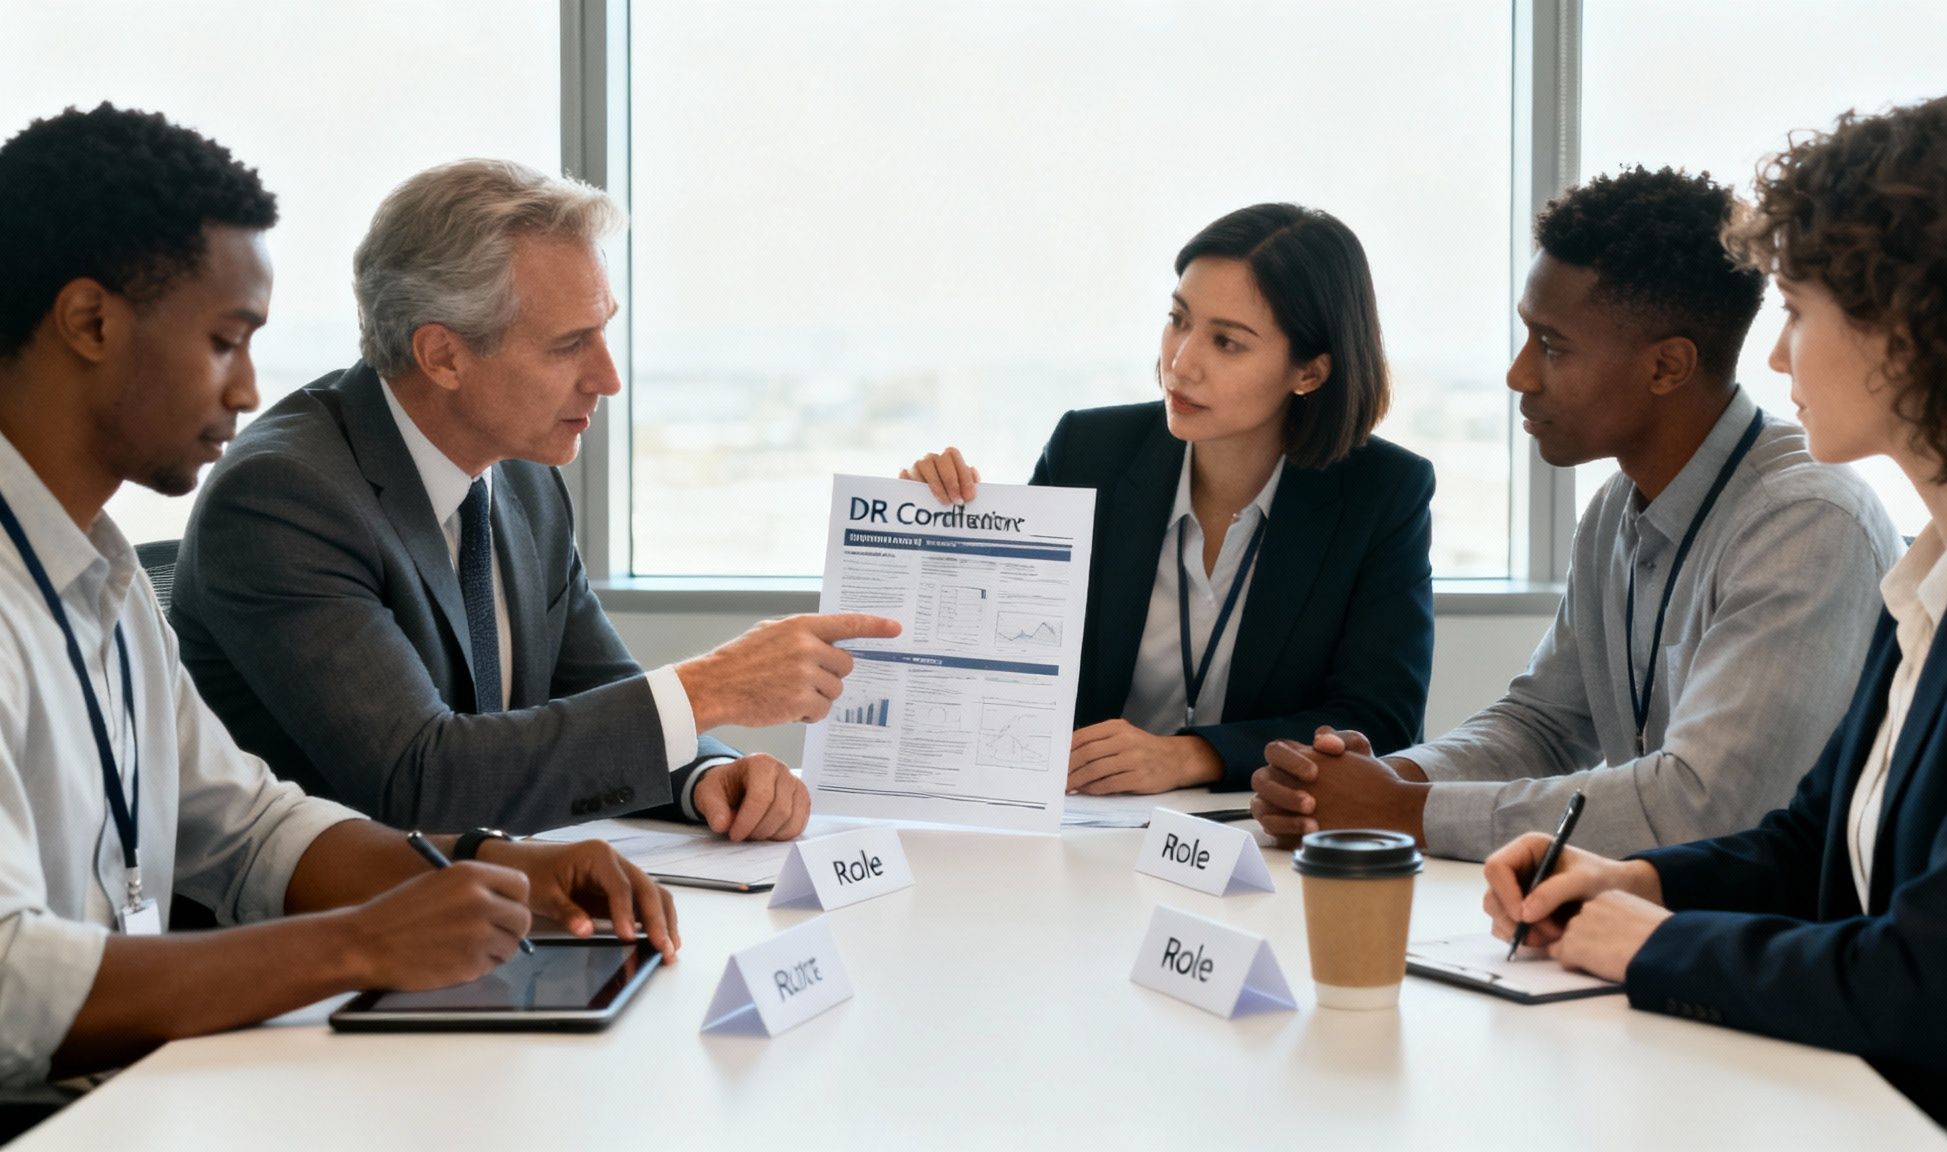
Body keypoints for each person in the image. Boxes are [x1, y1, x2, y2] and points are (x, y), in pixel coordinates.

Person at [0, 103, 676, 1102]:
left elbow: (252, 828)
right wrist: (360, 944)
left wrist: (492, 870)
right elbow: (11, 986)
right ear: (91, 322)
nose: (246, 391)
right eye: (226, 342)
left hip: (123, 1095)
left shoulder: (102, 585)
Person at [1479, 94, 1947, 1129]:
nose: (1775, 358)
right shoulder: (1944, 567)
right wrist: (1637, 879)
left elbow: (1937, 985)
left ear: (1909, 326)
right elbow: (1806, 846)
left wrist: (1647, 944)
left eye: (1793, 309)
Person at [170, 159, 902, 839]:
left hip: (490, 914)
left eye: (604, 331)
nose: (608, 377)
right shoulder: (284, 497)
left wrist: (708, 772)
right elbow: (420, 780)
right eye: (568, 345)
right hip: (328, 948)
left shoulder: (520, 474)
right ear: (443, 355)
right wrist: (713, 686)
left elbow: (594, 692)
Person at [1253, 168, 1902, 859]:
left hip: (1772, 942)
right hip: (1650, 921)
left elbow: (1706, 806)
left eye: (1552, 346)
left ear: (1667, 367)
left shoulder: (1806, 521)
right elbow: (1543, 724)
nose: (1519, 374)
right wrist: (1382, 779)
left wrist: (1407, 811)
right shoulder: (1617, 509)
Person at [903, 204, 1433, 794]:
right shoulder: (1087, 452)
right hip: (1084, 820)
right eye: (1179, 320)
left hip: (1253, 832)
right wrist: (933, 541)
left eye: (1227, 342)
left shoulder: (1382, 492)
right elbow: (996, 657)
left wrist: (1192, 756)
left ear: (1309, 372)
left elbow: (1381, 722)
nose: (1180, 363)